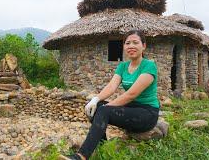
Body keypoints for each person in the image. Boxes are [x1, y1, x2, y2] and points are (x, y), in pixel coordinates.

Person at [59, 30, 160, 160]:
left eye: (135, 42)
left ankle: (81, 156)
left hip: (147, 114)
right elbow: (111, 87)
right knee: (94, 107)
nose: (131, 46)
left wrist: (106, 108)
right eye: (127, 43)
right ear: (124, 47)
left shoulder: (149, 66)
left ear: (143, 46)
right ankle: (102, 145)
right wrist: (95, 99)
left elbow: (131, 94)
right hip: (131, 109)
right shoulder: (123, 66)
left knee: (103, 111)